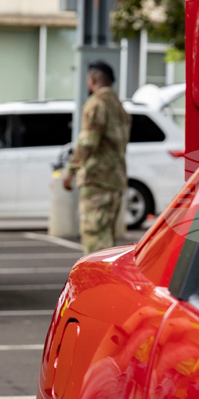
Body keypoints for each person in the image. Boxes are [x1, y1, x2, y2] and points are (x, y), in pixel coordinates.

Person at [63, 61, 131, 254]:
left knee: (94, 240)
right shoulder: (120, 108)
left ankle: (99, 284)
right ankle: (111, 283)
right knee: (108, 239)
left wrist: (70, 171)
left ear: (92, 80)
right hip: (116, 180)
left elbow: (88, 142)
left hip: (97, 180)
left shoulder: (96, 104)